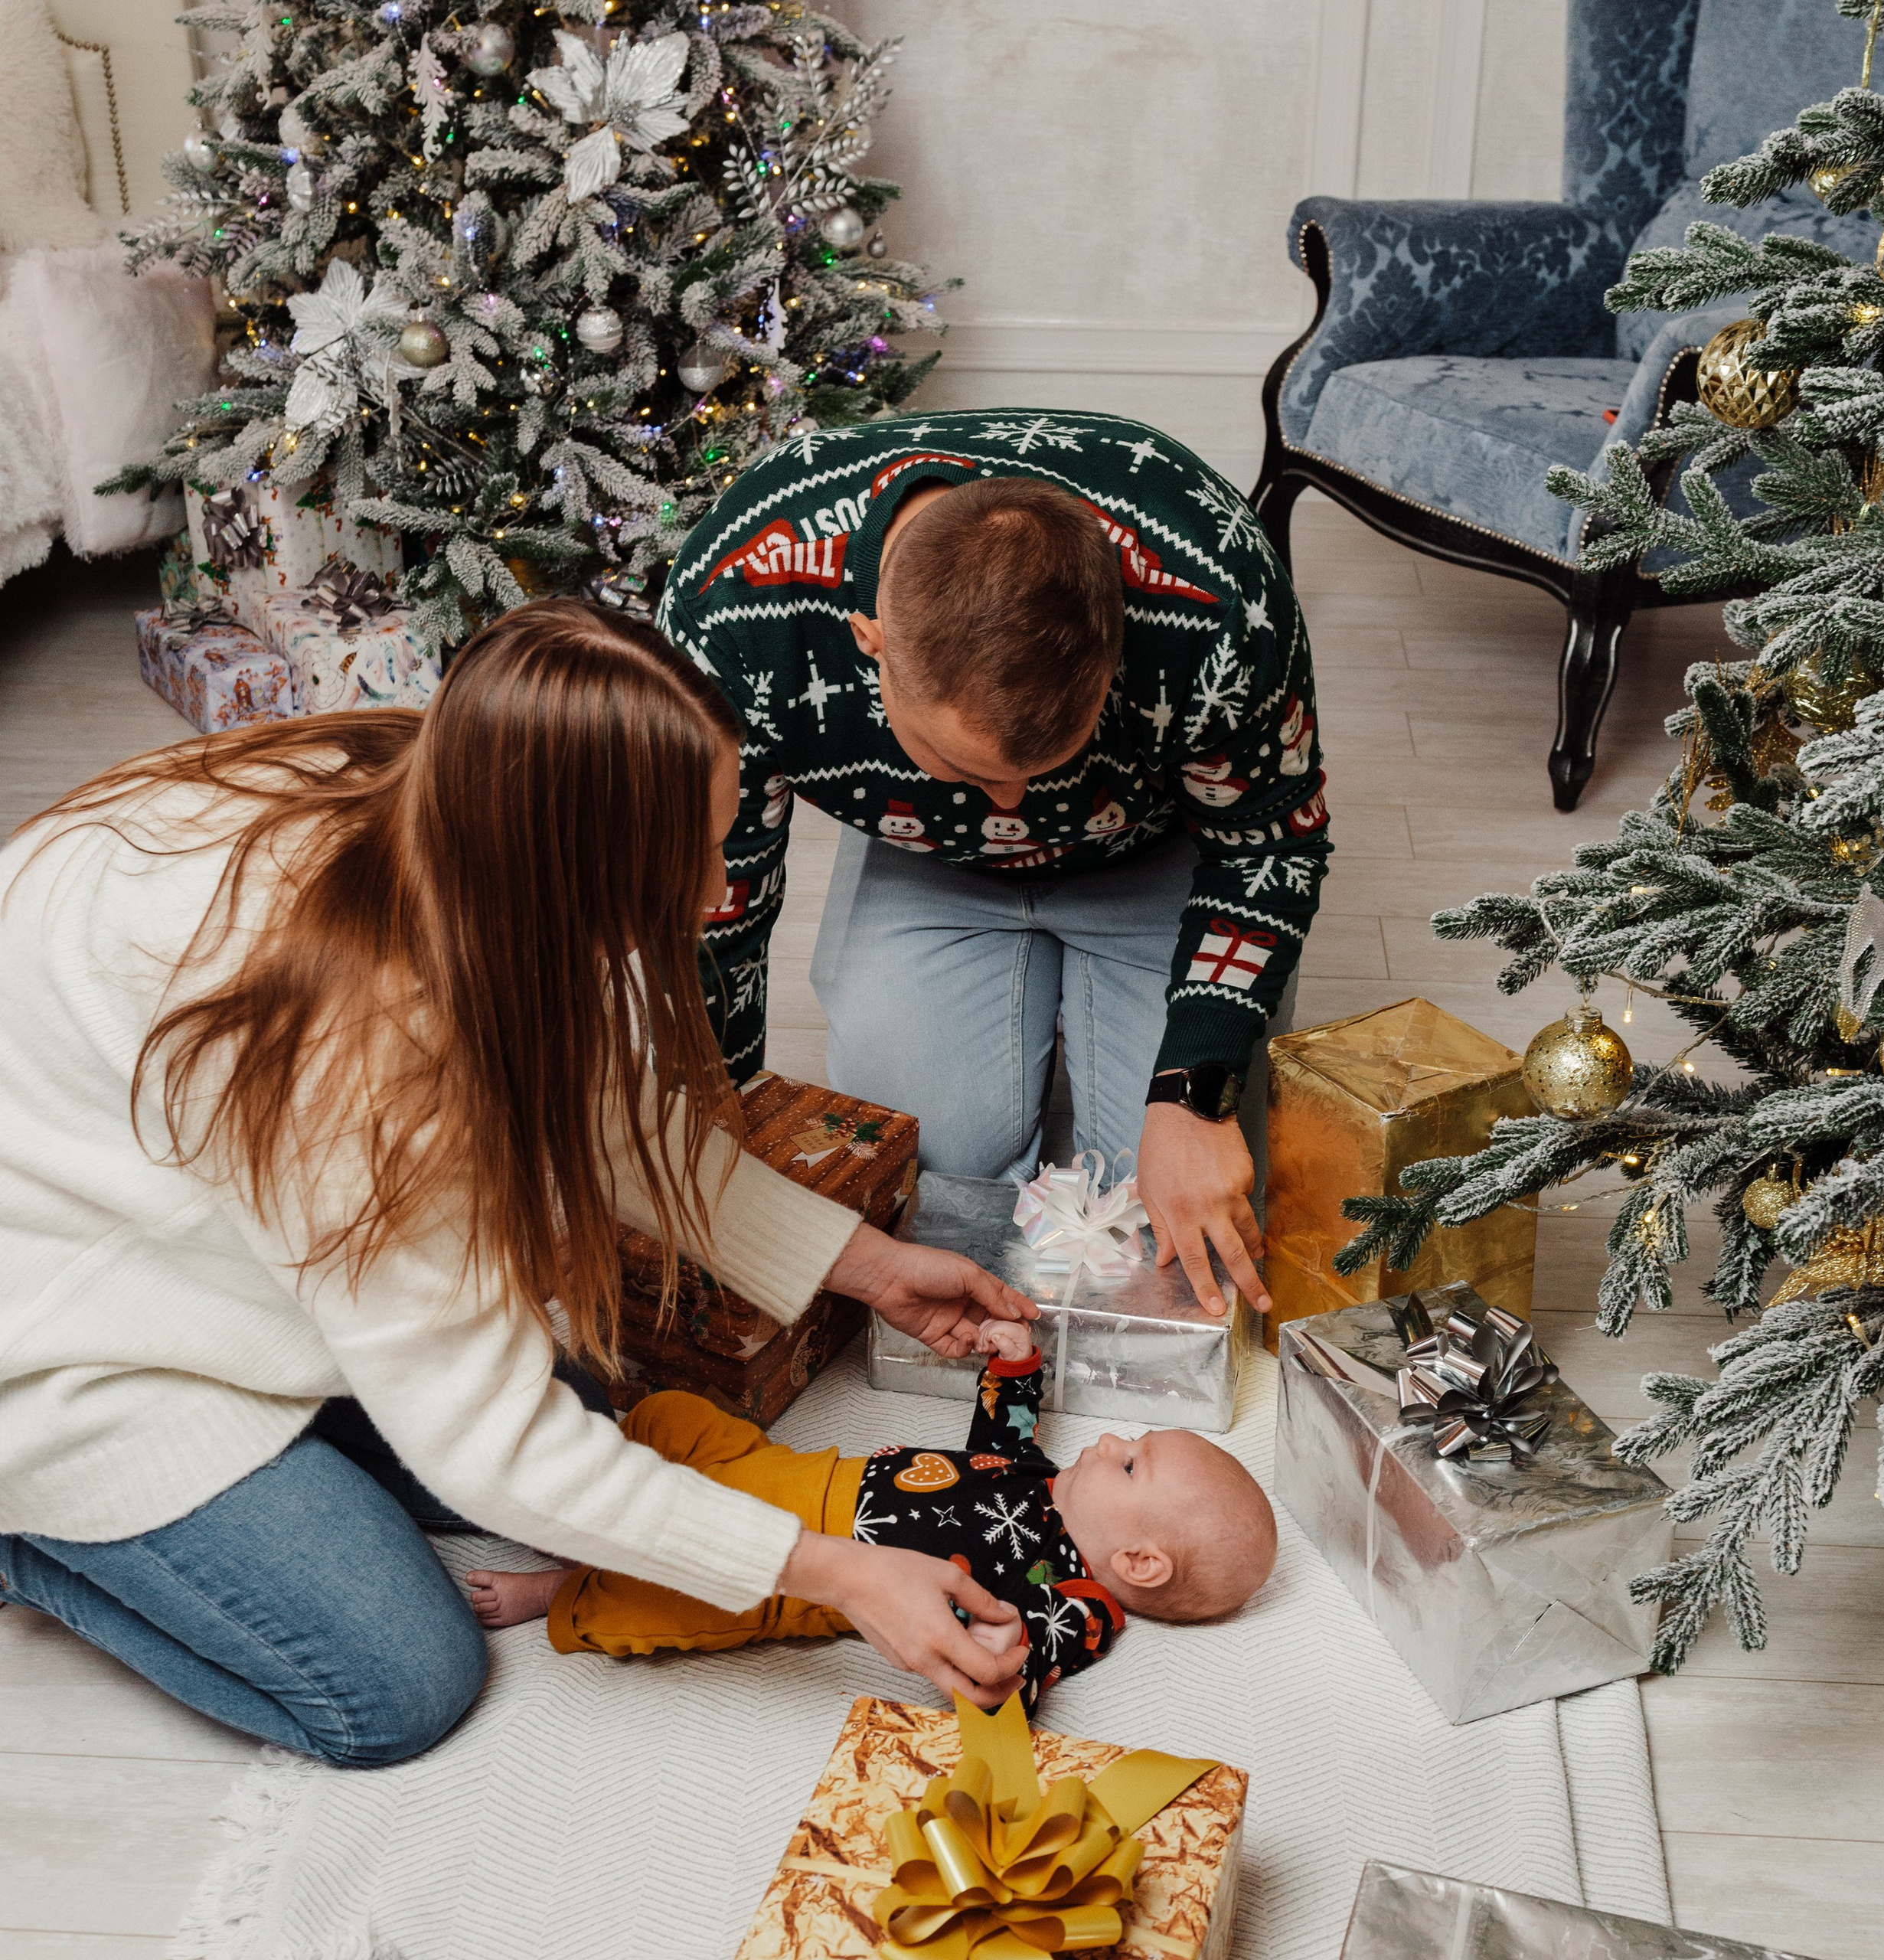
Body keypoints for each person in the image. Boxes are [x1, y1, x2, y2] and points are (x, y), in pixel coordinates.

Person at [0, 599, 1040, 1767]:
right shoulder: (352, 1058)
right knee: (402, 1682)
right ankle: (28, 1535)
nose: (714, 896)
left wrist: (866, 1265)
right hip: (60, 1330)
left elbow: (600, 1103)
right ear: (572, 862)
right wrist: (832, 1574)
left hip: (203, 1221)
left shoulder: (467, 793)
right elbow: (491, 1443)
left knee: (596, 1426)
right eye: (683, 861)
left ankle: (316, 1431)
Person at [657, 409, 1329, 1321]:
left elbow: (1269, 842)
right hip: (916, 855)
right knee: (928, 1189)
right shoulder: (736, 603)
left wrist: (1196, 1090)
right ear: (871, 644)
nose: (1008, 809)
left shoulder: (1215, 592)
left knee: (1160, 1232)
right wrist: (717, 1127)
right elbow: (716, 902)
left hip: (1153, 851)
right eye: (966, 768)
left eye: (1046, 762)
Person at [465, 1316, 1277, 1710]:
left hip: (791, 1581)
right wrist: (1015, 1359)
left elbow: (1020, 1665)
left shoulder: (1073, 1598)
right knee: (677, 1417)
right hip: (793, 1472)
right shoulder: (1039, 1475)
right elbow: (1006, 1423)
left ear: (1139, 1562)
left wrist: (1004, 1669)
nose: (1104, 1441)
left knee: (647, 1597)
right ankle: (598, 1478)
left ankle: (559, 1590)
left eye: (1129, 1462)